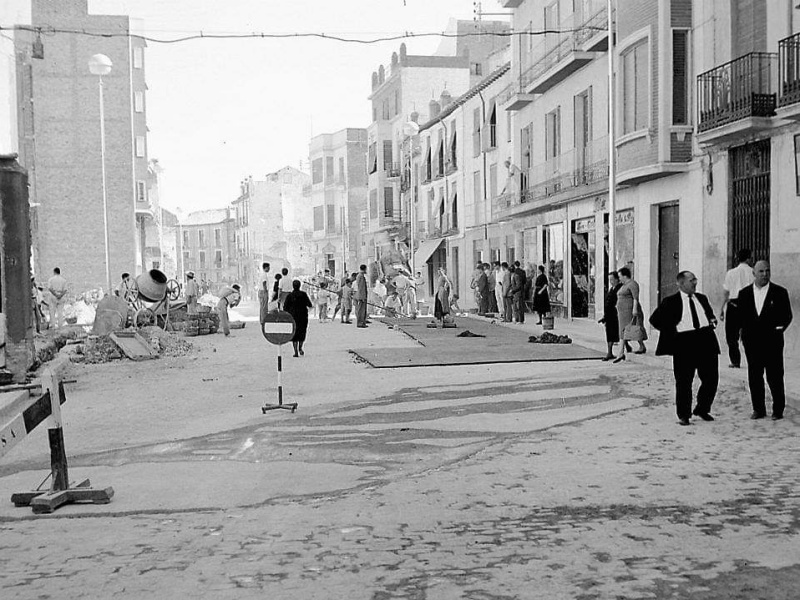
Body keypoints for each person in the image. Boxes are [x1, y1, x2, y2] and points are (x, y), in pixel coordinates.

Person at [650, 271, 720, 426]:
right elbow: (654, 320)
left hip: (705, 339)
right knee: (684, 381)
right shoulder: (670, 301)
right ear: (680, 284)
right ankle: (684, 414)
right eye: (691, 280)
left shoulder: (702, 298)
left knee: (711, 378)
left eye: (695, 279)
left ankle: (702, 408)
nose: (694, 282)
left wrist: (712, 320)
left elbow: (709, 314)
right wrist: (671, 331)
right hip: (684, 342)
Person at [737, 260, 793, 420]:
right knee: (754, 376)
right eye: (761, 271)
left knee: (775, 376)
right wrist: (744, 334)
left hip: (772, 342)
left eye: (767, 271)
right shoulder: (745, 294)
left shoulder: (780, 292)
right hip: (752, 342)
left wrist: (778, 329)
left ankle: (778, 410)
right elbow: (740, 316)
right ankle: (758, 409)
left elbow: (787, 315)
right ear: (754, 273)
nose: (764, 274)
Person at [720, 248, 754, 368]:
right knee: (749, 334)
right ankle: (753, 360)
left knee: (731, 336)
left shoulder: (731, 273)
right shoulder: (753, 272)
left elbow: (726, 292)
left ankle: (735, 361)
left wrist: (722, 309)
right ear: (749, 258)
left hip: (733, 305)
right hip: (748, 305)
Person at [614, 266, 646, 362]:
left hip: (629, 311)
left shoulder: (632, 284)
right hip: (622, 312)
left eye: (620, 276)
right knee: (629, 330)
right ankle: (642, 346)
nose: (619, 278)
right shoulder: (623, 286)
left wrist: (634, 309)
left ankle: (620, 353)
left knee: (627, 330)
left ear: (625, 276)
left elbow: (635, 298)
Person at [283, 279, 313, 357]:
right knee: (302, 332)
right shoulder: (303, 294)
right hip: (303, 316)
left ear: (293, 286)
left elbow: (285, 307)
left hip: (293, 317)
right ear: (300, 286)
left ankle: (295, 351)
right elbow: (309, 304)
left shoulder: (289, 296)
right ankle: (300, 348)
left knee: (295, 334)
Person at [599, 271, 623, 361]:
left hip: (615, 315)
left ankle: (623, 348)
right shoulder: (612, 289)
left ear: (617, 279)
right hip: (609, 315)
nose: (610, 281)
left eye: (612, 279)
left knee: (617, 333)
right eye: (609, 279)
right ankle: (609, 352)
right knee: (610, 334)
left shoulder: (620, 289)